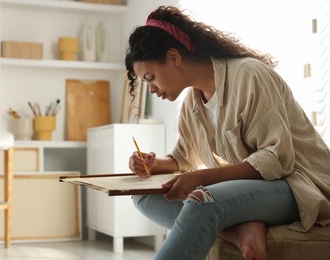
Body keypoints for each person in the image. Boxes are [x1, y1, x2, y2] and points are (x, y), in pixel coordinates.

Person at [125, 5, 330, 260]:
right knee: (142, 195)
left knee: (203, 200)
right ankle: (237, 231)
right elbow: (183, 157)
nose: (152, 89)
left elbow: (277, 159)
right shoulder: (192, 102)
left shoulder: (249, 75)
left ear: (173, 57)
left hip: (297, 185)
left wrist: (206, 179)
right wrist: (154, 164)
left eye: (151, 77)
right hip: (256, 189)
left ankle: (235, 223)